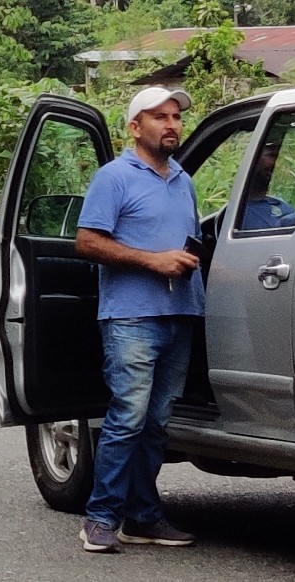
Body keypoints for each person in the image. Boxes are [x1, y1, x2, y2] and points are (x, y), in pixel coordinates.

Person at [72, 86, 204, 554]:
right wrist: (154, 261)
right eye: (159, 117)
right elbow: (87, 243)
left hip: (180, 313)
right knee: (127, 418)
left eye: (175, 117)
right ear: (134, 127)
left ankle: (143, 517)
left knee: (157, 424)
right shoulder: (114, 177)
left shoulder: (183, 179)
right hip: (131, 317)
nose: (171, 124)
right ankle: (100, 518)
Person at [237, 141, 295, 232]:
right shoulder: (238, 213)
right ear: (251, 160)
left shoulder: (280, 204)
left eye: (278, 157)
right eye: (271, 155)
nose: (276, 164)